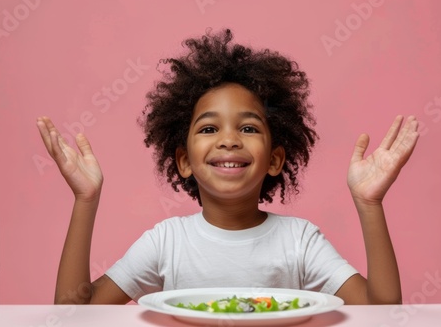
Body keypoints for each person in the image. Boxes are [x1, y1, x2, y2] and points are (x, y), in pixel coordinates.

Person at [36, 29, 419, 305]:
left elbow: (381, 313)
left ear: (275, 160)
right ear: (184, 161)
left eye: (249, 127)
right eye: (208, 128)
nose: (229, 139)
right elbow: (75, 315)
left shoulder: (299, 241)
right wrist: (85, 200)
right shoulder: (166, 242)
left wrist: (370, 204)